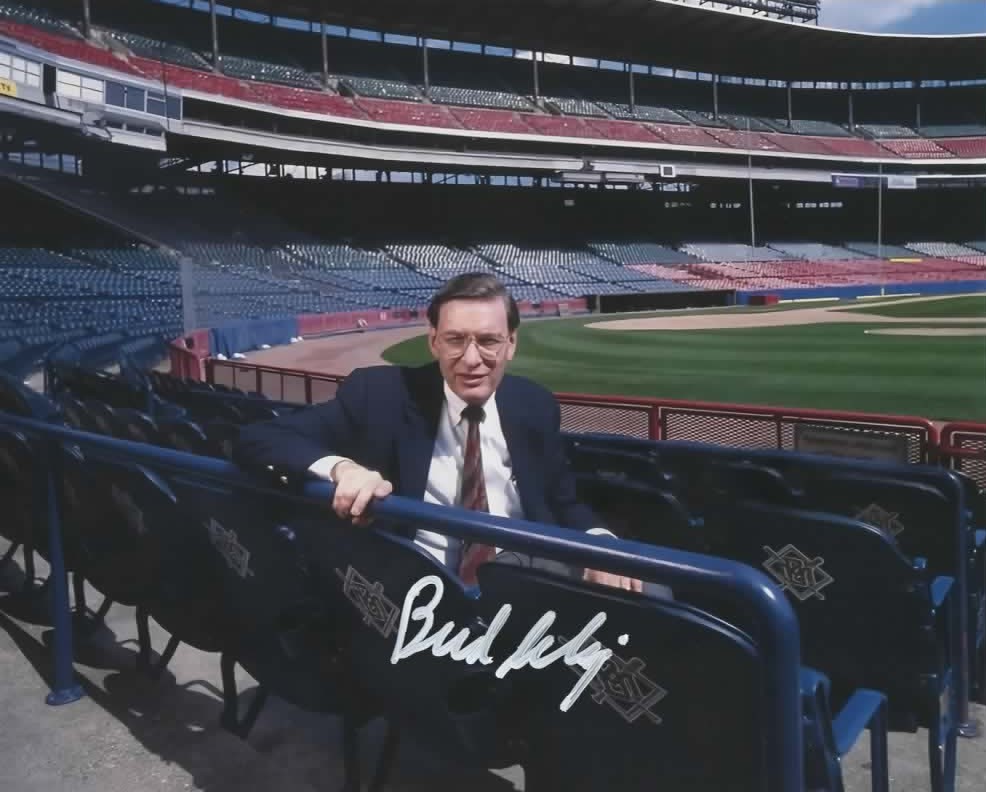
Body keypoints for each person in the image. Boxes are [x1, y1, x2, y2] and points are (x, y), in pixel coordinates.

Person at [233, 273, 642, 592]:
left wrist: (600, 543)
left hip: (526, 586)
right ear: (432, 341)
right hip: (416, 592)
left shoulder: (534, 405)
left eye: (488, 341)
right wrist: (343, 469)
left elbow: (563, 501)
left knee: (653, 593)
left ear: (511, 345)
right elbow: (259, 438)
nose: (471, 359)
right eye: (455, 340)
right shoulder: (379, 395)